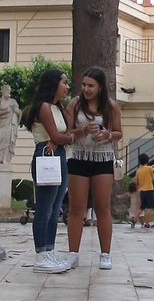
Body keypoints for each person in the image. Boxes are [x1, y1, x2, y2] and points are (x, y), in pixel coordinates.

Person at [64, 67, 122, 268]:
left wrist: (107, 135)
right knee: (76, 208)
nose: (86, 89)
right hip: (79, 156)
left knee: (102, 207)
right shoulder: (75, 104)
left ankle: (105, 253)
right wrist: (82, 130)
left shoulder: (111, 106)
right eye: (84, 85)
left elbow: (118, 133)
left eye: (91, 85)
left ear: (100, 87)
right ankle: (73, 253)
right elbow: (66, 131)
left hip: (102, 158)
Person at [21, 68, 73, 273]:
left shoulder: (58, 108)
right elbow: (60, 136)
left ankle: (49, 250)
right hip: (47, 155)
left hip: (59, 154)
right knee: (44, 207)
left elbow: (67, 132)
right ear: (53, 84)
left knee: (55, 208)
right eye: (64, 82)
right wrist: (65, 139)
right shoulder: (43, 107)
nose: (67, 86)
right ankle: (41, 254)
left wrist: (64, 138)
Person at [131, 153, 154, 227]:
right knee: (149, 207)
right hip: (149, 190)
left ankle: (134, 219)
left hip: (142, 191)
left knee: (142, 207)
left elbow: (136, 182)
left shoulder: (138, 171)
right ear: (148, 160)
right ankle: (147, 223)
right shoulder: (149, 168)